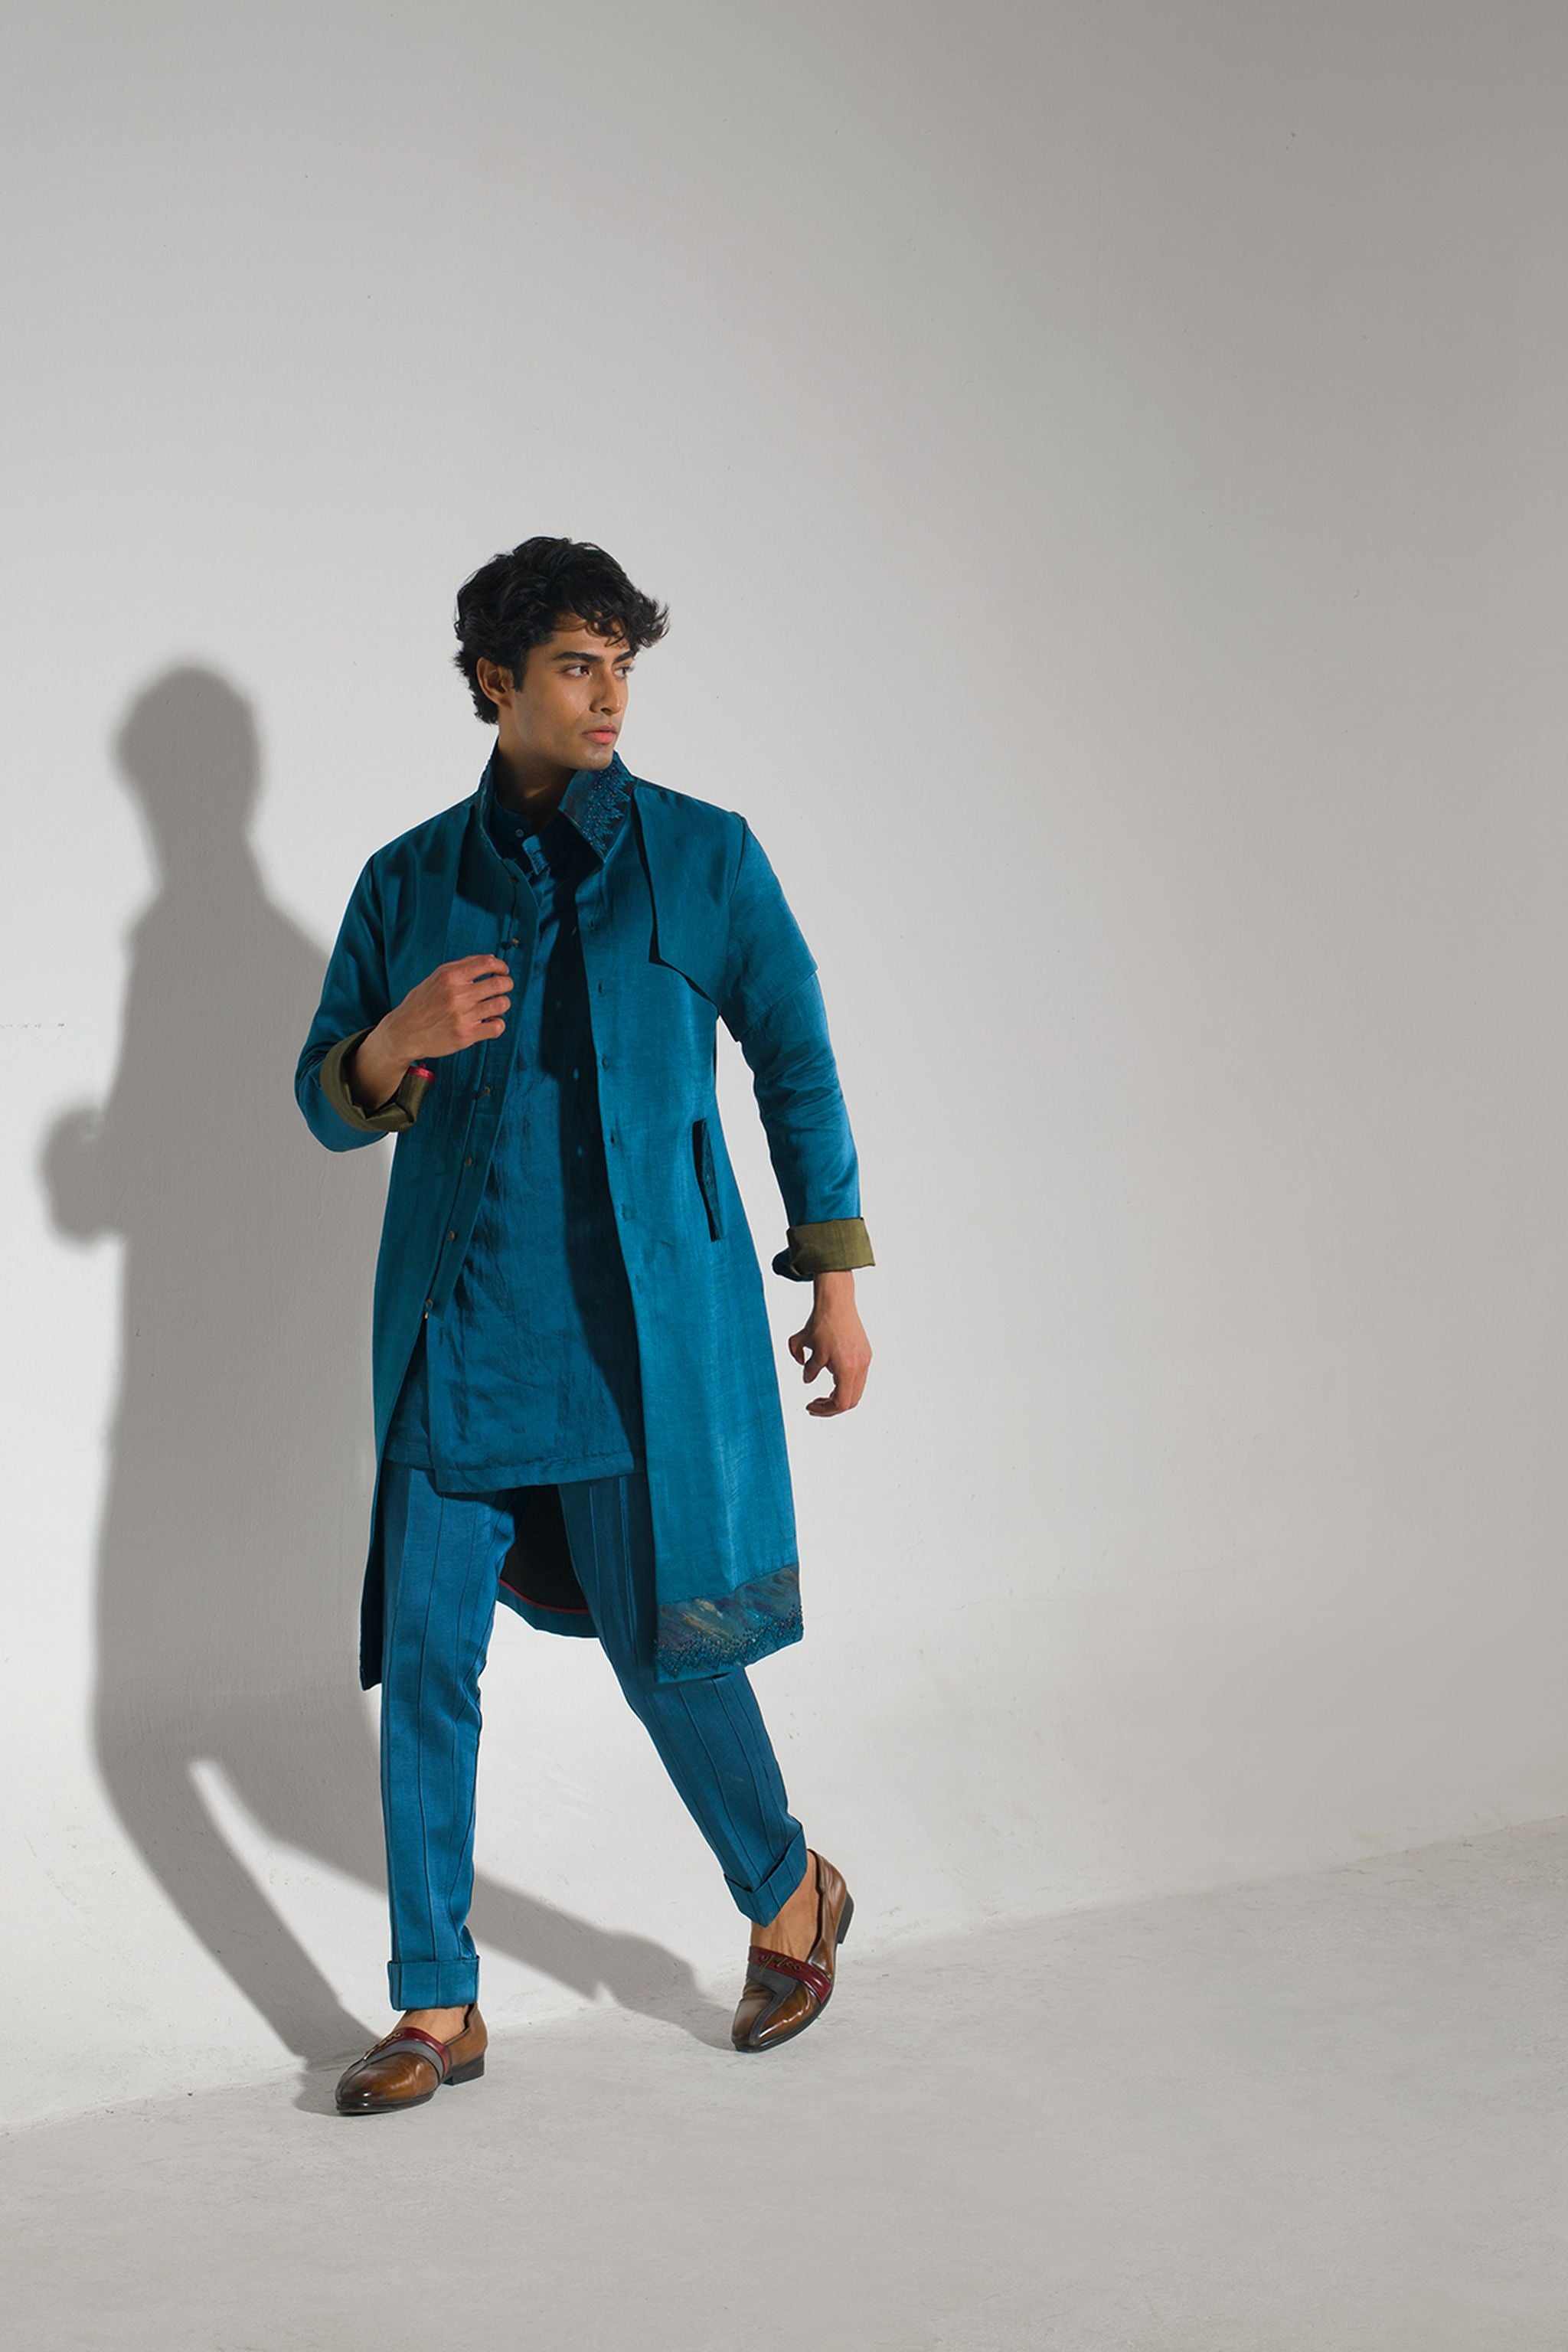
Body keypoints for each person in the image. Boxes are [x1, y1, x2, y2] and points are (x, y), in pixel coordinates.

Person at [292, 536, 874, 2115]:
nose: (610, 696)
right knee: (427, 1666)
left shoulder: (706, 855)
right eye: (574, 665)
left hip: (639, 1350)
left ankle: (789, 1888)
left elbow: (796, 1060)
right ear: (496, 681)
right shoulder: (408, 880)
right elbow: (324, 1099)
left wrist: (830, 1275)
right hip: (460, 1335)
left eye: (623, 664)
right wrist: (393, 1043)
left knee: (670, 1652)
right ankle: (436, 2001)